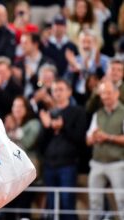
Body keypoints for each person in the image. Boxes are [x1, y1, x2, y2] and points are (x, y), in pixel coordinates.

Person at [39, 79, 87, 220]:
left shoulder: (78, 111)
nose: (57, 93)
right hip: (49, 164)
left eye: (61, 89)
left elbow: (80, 139)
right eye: (55, 90)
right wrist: (48, 127)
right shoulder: (49, 113)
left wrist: (62, 127)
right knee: (52, 206)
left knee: (67, 205)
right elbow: (41, 143)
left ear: (69, 92)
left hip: (68, 164)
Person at [86, 80, 124, 220]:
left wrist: (107, 137)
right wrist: (94, 137)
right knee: (94, 202)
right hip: (97, 162)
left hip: (118, 163)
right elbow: (88, 139)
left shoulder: (123, 112)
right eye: (102, 93)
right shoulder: (98, 114)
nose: (105, 96)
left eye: (108, 93)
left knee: (122, 201)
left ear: (116, 93)